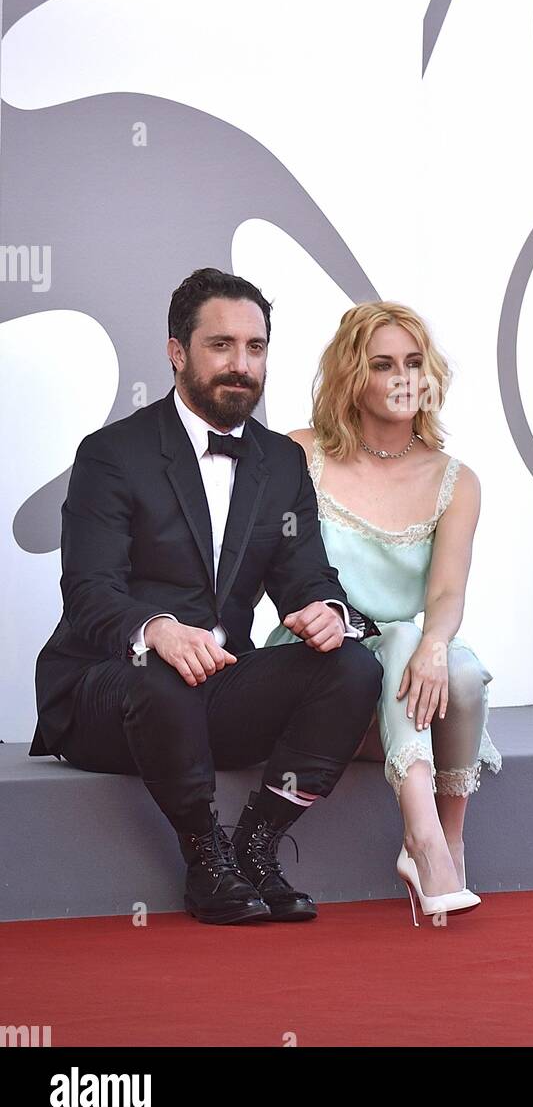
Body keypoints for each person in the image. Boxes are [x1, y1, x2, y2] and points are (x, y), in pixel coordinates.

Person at [29, 267, 384, 926]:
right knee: (158, 670)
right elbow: (88, 593)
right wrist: (158, 628)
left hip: (215, 692)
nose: (241, 365)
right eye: (221, 346)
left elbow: (306, 576)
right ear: (176, 352)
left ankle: (257, 842)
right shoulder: (113, 454)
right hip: (107, 693)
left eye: (255, 348)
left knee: (352, 664)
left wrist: (325, 612)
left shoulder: (280, 462)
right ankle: (204, 855)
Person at [265, 301, 502, 925]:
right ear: (352, 376)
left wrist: (432, 643)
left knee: (462, 671)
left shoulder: (457, 480)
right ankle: (425, 846)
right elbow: (272, 563)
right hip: (323, 673)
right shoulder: (299, 453)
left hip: (403, 679)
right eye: (383, 364)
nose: (404, 377)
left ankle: (443, 839)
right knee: (405, 641)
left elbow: (446, 593)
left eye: (415, 363)